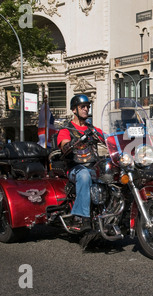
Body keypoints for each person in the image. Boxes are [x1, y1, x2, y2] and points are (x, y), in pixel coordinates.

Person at [57, 94, 105, 232]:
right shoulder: (67, 129)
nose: (86, 109)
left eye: (87, 107)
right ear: (74, 110)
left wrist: (127, 136)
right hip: (75, 168)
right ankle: (80, 217)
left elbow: (108, 139)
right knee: (84, 175)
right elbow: (64, 144)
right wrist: (71, 144)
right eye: (82, 107)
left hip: (93, 166)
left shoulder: (92, 129)